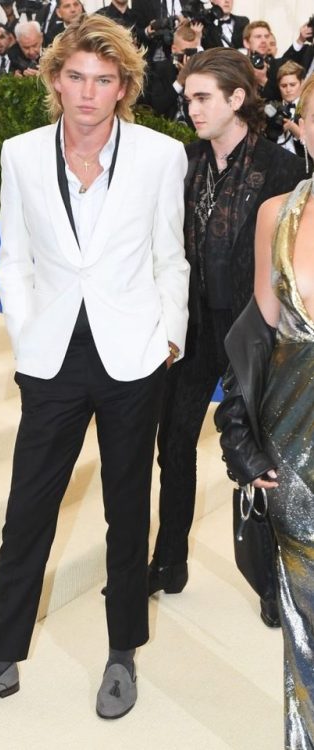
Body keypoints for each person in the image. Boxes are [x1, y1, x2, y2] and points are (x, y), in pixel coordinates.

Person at [0, 14, 189, 722]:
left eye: (104, 80)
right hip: (51, 357)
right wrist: (24, 330)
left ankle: (122, 651)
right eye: (76, 77)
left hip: (134, 356)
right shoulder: (19, 154)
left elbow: (172, 258)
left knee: (126, 507)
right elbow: (13, 257)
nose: (88, 93)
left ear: (124, 88)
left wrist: (168, 336)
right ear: (54, 80)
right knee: (28, 512)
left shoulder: (160, 157)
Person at [148, 47, 306, 629]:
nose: (190, 108)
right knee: (175, 443)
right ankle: (169, 561)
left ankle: (271, 581)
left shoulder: (279, 167)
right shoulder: (181, 162)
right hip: (191, 329)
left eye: (202, 97)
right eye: (188, 97)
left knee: (260, 459)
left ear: (237, 99)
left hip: (253, 333)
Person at [215, 73, 314, 749]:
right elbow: (257, 333)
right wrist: (237, 429)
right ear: (300, 125)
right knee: (305, 637)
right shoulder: (278, 214)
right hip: (294, 454)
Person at [264, 61, 304, 158]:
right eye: (284, 86)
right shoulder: (271, 108)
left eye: (292, 85)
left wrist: (295, 130)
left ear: (302, 83)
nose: (288, 89)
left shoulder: (309, 108)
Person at [242, 20, 280, 102]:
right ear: (246, 43)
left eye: (266, 36)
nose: (263, 40)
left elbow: (280, 97)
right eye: (258, 37)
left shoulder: (278, 66)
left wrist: (263, 80)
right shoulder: (238, 65)